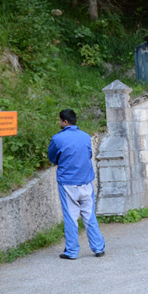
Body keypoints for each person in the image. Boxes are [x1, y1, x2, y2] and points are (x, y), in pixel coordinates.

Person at [47, 109, 106, 260]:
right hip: (86, 182)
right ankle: (98, 248)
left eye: (59, 120)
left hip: (68, 183)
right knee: (89, 215)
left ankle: (72, 251)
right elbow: (88, 155)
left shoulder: (57, 139)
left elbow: (53, 158)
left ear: (65, 122)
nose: (59, 123)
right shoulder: (85, 137)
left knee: (71, 217)